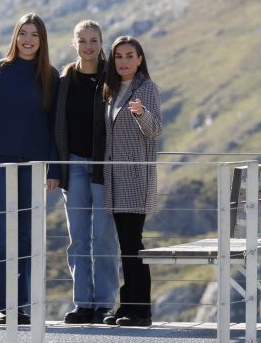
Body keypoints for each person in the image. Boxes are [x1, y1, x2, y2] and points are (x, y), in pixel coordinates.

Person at [0, 12, 62, 325]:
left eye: (34, 35)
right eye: (23, 33)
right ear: (15, 36)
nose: (28, 40)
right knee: (4, 229)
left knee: (25, 232)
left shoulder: (51, 76)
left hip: (34, 163)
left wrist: (53, 169)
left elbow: (54, 128)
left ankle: (20, 306)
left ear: (42, 40)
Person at [53, 20, 118, 324]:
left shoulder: (113, 77)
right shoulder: (65, 78)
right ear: (74, 43)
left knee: (104, 237)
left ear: (102, 43)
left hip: (105, 167)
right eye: (82, 40)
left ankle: (104, 304)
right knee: (78, 238)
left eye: (94, 40)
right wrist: (56, 168)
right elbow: (55, 126)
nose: (88, 46)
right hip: (74, 165)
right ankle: (83, 304)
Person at [101, 35, 162, 327]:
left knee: (133, 244)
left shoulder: (146, 88)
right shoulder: (112, 90)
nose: (124, 61)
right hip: (115, 179)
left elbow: (154, 131)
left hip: (135, 178)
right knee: (126, 245)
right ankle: (127, 306)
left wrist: (141, 113)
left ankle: (141, 311)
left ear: (140, 59)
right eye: (119, 56)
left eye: (129, 56)